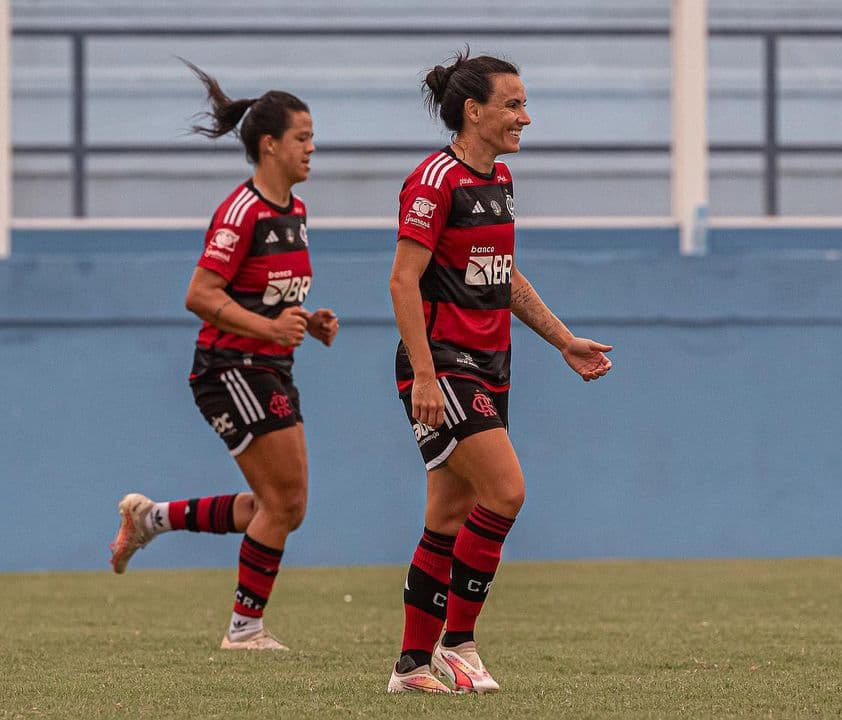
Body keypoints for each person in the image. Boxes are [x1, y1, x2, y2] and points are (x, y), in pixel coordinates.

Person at [386, 49, 613, 694]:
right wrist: (425, 377)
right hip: (444, 368)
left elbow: (502, 276)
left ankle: (410, 666)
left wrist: (563, 340)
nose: (526, 117)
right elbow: (403, 279)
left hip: (491, 366)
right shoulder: (435, 181)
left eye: (524, 104)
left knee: (448, 513)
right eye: (513, 105)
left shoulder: (500, 181)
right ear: (473, 110)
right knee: (507, 492)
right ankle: (458, 643)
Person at [108, 60, 338, 651]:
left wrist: (306, 321)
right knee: (285, 502)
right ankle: (244, 629)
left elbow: (264, 294)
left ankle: (150, 519)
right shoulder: (242, 213)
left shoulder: (295, 213)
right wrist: (268, 327)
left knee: (279, 505)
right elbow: (200, 295)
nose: (313, 148)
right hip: (228, 368)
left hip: (266, 363)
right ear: (270, 144)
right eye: (302, 138)